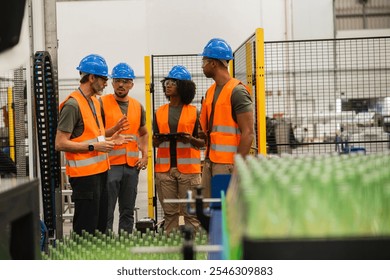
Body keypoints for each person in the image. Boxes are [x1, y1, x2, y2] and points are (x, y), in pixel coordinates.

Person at [55, 54, 126, 235]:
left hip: (101, 174)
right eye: (103, 79)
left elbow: (94, 136)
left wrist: (110, 140)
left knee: (100, 228)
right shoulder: (72, 105)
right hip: (84, 178)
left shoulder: (95, 102)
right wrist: (94, 147)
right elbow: (60, 143)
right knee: (86, 229)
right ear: (91, 78)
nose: (105, 83)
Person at [199, 38, 254, 198]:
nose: (202, 66)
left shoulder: (237, 92)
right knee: (209, 211)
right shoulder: (210, 92)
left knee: (226, 212)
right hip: (210, 160)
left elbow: (248, 133)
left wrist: (238, 166)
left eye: (204, 61)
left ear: (214, 63)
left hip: (228, 165)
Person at [153, 65, 205, 234]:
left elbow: (202, 142)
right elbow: (154, 142)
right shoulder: (159, 112)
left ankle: (193, 253)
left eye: (173, 82)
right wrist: (158, 139)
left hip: (188, 172)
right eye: (167, 82)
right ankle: (172, 252)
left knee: (191, 214)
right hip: (164, 171)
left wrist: (189, 139)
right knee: (170, 214)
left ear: (183, 86)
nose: (168, 85)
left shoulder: (193, 112)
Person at [100, 63, 149, 234]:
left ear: (131, 85)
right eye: (118, 81)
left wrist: (145, 155)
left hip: (131, 167)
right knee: (106, 211)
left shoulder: (137, 106)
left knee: (127, 211)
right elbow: (95, 132)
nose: (121, 85)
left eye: (125, 81)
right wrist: (111, 135)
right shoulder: (101, 103)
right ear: (112, 83)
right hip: (109, 165)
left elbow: (143, 133)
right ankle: (106, 247)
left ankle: (125, 246)